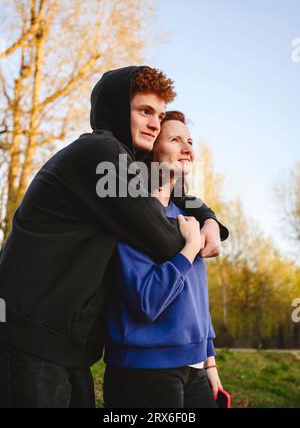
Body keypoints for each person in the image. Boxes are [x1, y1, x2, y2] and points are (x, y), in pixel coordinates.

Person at [0, 66, 228, 407]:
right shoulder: (100, 153)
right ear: (118, 110)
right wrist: (193, 240)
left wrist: (208, 218)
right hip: (30, 336)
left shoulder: (122, 166)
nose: (154, 123)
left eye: (160, 114)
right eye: (144, 111)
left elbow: (167, 191)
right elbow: (162, 236)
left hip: (69, 345)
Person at [103, 111, 222, 408]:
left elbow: (197, 300)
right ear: (153, 149)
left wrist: (209, 363)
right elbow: (147, 301)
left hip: (195, 367)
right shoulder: (130, 214)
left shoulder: (187, 216)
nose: (188, 149)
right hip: (145, 370)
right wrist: (189, 249)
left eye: (190, 141)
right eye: (175, 140)